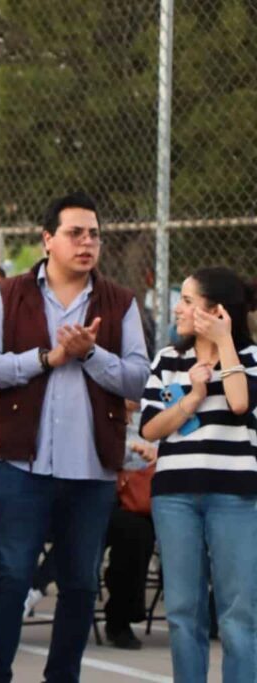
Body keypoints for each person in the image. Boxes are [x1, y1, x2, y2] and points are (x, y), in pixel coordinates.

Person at [0, 191, 150, 683]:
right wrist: (46, 358)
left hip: (92, 471)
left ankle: (62, 678)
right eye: (76, 233)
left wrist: (91, 355)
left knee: (79, 585)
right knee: (10, 577)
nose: (87, 242)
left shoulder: (121, 302)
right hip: (22, 467)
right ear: (47, 240)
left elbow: (139, 378)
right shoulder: (8, 295)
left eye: (94, 234)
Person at [140, 267, 257, 682]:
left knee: (239, 614)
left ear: (216, 310)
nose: (178, 307)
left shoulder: (251, 359)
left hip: (236, 497)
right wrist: (192, 398)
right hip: (174, 497)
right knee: (182, 612)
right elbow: (150, 428)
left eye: (188, 300)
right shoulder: (167, 360)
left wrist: (225, 343)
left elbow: (242, 403)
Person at [102, 400, 156, 650]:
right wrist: (133, 451)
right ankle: (120, 618)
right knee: (132, 531)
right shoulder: (102, 408)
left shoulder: (153, 411)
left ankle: (210, 614)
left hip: (147, 496)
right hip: (103, 490)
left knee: (140, 531)